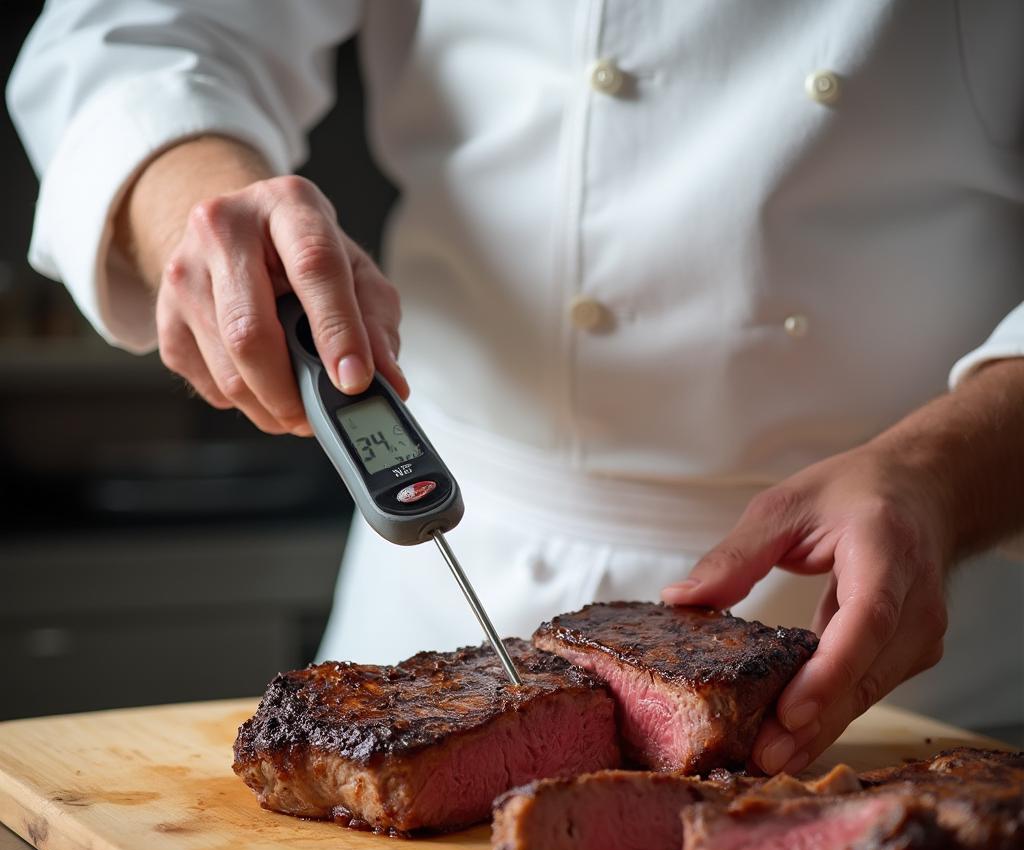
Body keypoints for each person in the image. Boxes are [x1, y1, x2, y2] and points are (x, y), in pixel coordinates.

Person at [9, 2, 1023, 776]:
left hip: (913, 629)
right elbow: (137, 30)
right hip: (446, 587)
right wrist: (195, 199)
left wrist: (943, 475)